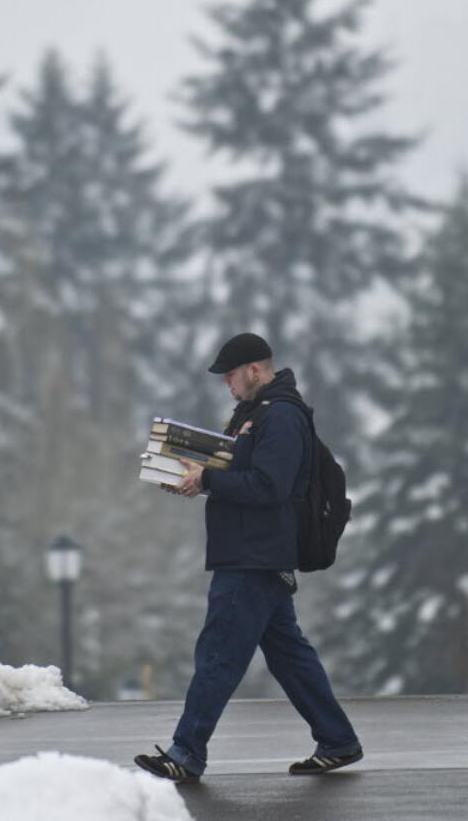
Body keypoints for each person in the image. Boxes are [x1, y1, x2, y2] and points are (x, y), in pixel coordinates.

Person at [134, 332, 362, 784]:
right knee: (288, 656)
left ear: (255, 369)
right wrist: (195, 477)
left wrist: (211, 482)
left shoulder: (280, 418)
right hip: (253, 552)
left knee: (219, 654)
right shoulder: (254, 415)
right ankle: (337, 740)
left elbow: (271, 486)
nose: (227, 385)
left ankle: (186, 752)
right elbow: (243, 476)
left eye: (231, 376)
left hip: (253, 557)